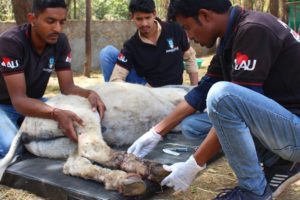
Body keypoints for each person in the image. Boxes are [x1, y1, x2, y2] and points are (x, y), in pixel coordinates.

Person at [128, 0, 300, 199]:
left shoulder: (253, 30)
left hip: (295, 133)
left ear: (205, 16)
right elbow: (201, 92)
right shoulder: (231, 34)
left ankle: (253, 190)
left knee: (223, 95)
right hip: (285, 123)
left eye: (187, 28)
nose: (189, 37)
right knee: (193, 126)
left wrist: (193, 165)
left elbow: (230, 104)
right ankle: (279, 162)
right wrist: (156, 132)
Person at [0, 0, 106, 158]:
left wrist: (89, 93)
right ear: (32, 19)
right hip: (5, 105)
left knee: (87, 125)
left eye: (61, 22)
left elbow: (68, 87)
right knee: (12, 149)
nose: (57, 28)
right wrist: (56, 113)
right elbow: (19, 100)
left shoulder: (60, 41)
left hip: (35, 101)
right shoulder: (11, 42)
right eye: (50, 21)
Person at [99, 0, 199, 87]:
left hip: (174, 90)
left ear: (154, 14)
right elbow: (117, 78)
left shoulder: (175, 30)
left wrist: (194, 88)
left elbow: (190, 57)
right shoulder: (131, 46)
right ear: (132, 16)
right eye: (139, 19)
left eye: (147, 17)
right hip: (146, 90)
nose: (144, 24)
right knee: (107, 53)